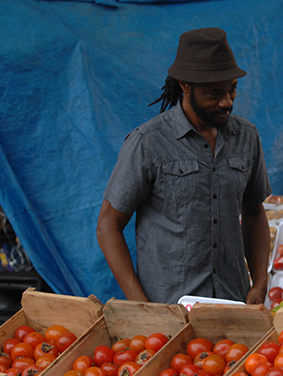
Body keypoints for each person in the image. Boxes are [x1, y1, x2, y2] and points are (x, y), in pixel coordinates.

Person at [97, 28, 271, 305]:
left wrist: (260, 282)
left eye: (232, 89)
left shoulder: (247, 137)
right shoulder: (148, 142)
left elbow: (254, 212)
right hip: (168, 309)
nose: (227, 101)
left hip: (233, 301)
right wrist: (140, 303)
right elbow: (108, 224)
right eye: (214, 94)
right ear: (185, 86)